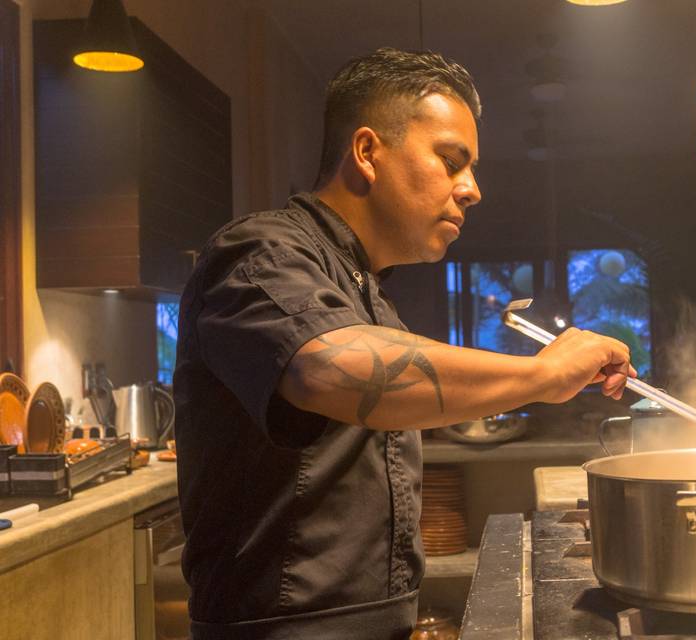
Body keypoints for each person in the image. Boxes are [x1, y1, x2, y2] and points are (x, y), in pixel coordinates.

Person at [173, 47, 634, 639]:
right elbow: (327, 370)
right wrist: (543, 376)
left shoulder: (368, 292)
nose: (472, 189)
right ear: (367, 152)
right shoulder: (261, 252)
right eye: (450, 160)